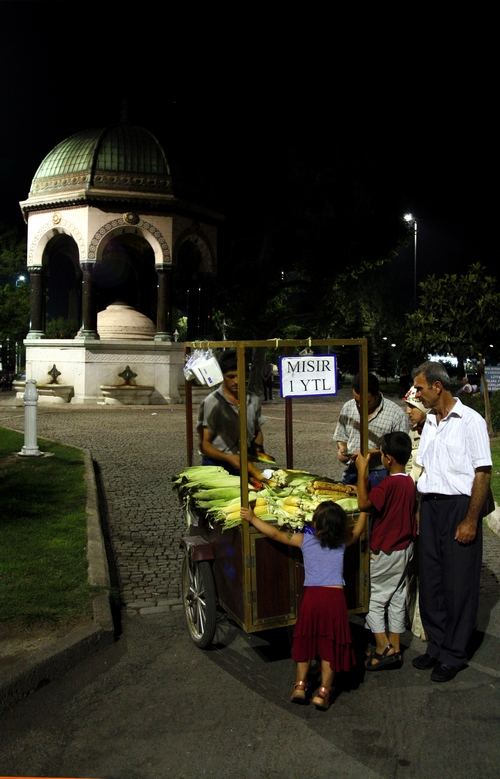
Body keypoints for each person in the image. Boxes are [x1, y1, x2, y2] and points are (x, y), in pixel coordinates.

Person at [240, 501, 367, 710]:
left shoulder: (305, 540)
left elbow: (275, 534)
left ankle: (300, 686)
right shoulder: (343, 540)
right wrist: (364, 509)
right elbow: (359, 530)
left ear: (316, 525)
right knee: (330, 645)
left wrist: (253, 518)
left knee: (306, 640)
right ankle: (323, 692)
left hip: (312, 598)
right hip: (334, 600)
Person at [411, 361, 492, 682]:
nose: (416, 393)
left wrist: (471, 519)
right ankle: (437, 644)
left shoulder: (470, 421)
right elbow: (426, 471)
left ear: (437, 386)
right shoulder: (430, 422)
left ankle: (455, 653)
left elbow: (483, 473)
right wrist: (419, 511)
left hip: (460, 507)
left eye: (419, 387)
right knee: (430, 580)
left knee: (458, 583)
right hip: (430, 507)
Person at [355, 431, 416, 670]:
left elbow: (364, 504)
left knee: (376, 599)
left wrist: (362, 472)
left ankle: (383, 646)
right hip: (405, 548)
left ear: (388, 459)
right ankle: (396, 645)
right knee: (397, 597)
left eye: (381, 453)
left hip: (386, 550)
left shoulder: (388, 484)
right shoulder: (408, 482)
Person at [197, 349, 266, 481]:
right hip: (216, 466)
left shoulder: (253, 400)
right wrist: (228, 457)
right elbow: (205, 445)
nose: (236, 381)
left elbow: (257, 430)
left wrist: (258, 449)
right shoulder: (212, 402)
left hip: (243, 464)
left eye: (240, 376)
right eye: (231, 376)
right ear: (222, 376)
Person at [334, 372, 410, 487]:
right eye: (357, 401)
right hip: (353, 469)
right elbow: (341, 435)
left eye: (366, 402)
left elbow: (400, 449)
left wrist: (369, 452)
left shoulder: (396, 414)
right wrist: (342, 448)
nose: (360, 405)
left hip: (380, 473)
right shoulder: (348, 407)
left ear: (376, 395)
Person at [402, 385, 429, 640]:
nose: (408, 411)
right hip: (412, 505)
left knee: (426, 566)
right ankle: (412, 619)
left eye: (412, 407)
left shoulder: (432, 434)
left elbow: (417, 472)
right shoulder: (412, 434)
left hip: (426, 507)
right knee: (413, 566)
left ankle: (424, 624)